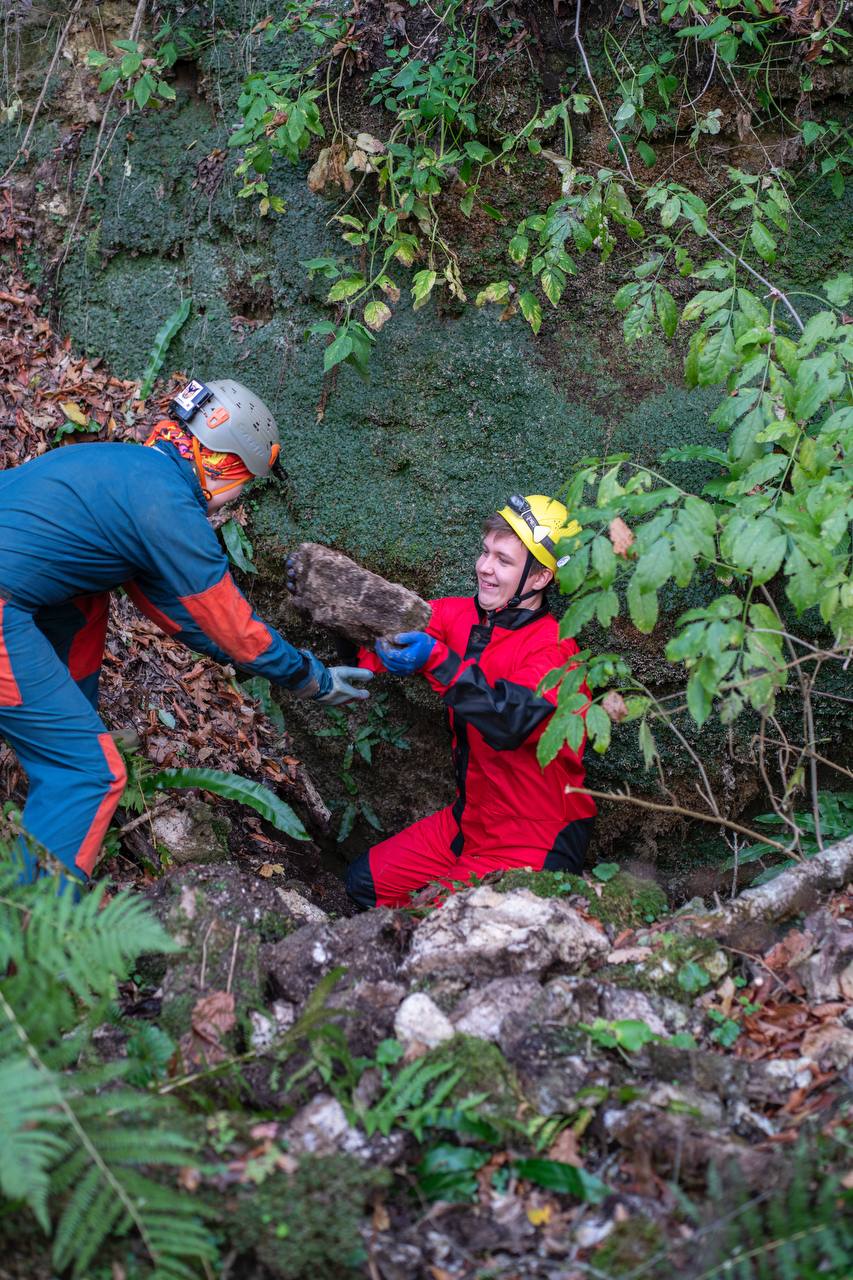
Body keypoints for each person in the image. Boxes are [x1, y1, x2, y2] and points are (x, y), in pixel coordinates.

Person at [0, 377, 372, 887]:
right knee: (89, 775)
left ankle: (73, 731)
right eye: (244, 484)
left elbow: (187, 620)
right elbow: (234, 629)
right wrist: (311, 678)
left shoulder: (119, 469)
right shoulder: (168, 506)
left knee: (84, 602)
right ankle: (32, 923)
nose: (234, 500)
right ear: (226, 464)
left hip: (17, 598)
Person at [345, 494, 596, 909]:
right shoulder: (462, 616)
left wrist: (436, 661)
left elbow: (507, 722)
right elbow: (394, 626)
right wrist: (345, 653)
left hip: (532, 841)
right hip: (470, 822)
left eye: (503, 560)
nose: (484, 567)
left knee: (431, 925)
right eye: (485, 552)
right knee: (363, 885)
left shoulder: (557, 653)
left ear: (539, 578)